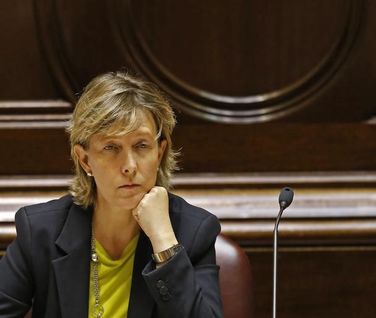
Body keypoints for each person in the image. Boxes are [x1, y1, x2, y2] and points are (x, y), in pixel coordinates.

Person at [0, 72, 223, 317]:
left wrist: (164, 243)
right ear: (85, 160)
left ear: (159, 154)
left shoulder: (192, 233)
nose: (129, 165)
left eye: (141, 146)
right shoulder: (41, 232)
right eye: (111, 148)